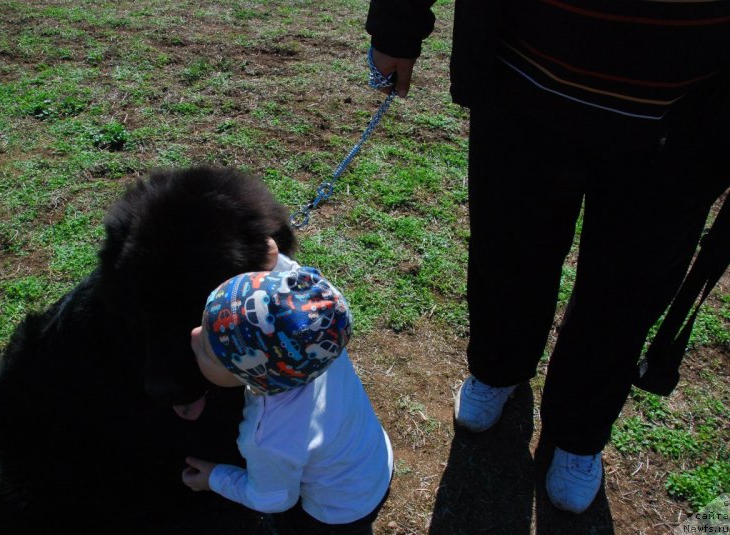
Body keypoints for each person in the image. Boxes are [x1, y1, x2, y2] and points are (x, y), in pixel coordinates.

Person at [366, 0, 730, 514]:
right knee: (507, 248)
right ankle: (498, 368)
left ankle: (579, 432)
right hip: (523, 78)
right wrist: (396, 25)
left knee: (629, 287)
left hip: (687, 116)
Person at [180, 250, 393, 534]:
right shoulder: (318, 342)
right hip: (375, 461)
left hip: (338, 512)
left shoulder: (268, 437)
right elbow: (295, 291)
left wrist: (214, 478)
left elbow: (272, 499)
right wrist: (273, 257)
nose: (194, 334)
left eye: (208, 351)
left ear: (251, 375)